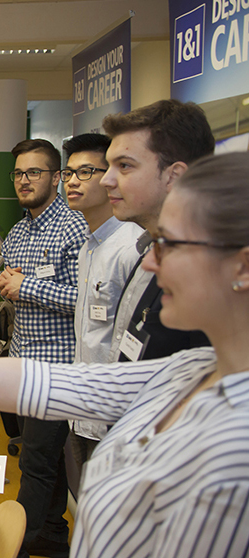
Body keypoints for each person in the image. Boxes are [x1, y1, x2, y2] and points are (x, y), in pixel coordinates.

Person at [0, 152, 249, 558]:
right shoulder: (191, 368)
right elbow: (56, 385)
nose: (149, 261)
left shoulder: (234, 448)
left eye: (169, 243)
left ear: (242, 266)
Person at [0, 138, 87, 558]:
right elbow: (17, 289)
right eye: (18, 173)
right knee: (41, 463)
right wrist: (8, 285)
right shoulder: (16, 232)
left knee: (34, 463)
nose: (24, 181)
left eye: (34, 172)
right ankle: (51, 536)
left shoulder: (74, 226)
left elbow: (86, 300)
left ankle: (19, 546)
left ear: (56, 176)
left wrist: (25, 286)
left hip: (58, 369)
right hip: (23, 365)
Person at [101, 99, 214, 363]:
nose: (105, 179)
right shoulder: (147, 245)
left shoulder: (209, 269)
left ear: (174, 176)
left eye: (125, 166)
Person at [61, 134, 142, 474]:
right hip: (83, 411)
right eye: (68, 173)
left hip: (114, 419)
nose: (73, 182)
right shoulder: (89, 247)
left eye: (86, 172)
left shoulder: (131, 248)